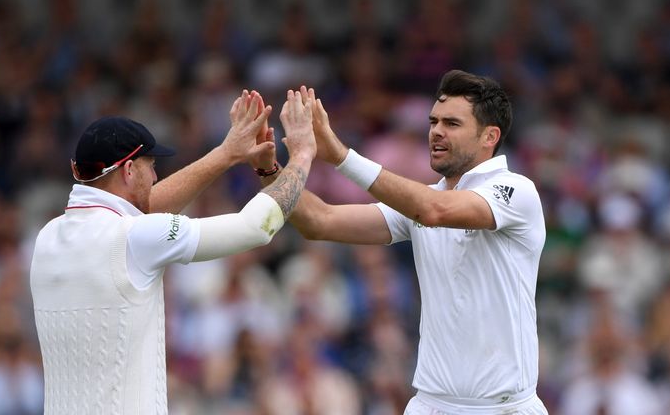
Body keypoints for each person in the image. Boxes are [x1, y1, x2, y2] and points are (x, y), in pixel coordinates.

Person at [253, 71, 548, 414]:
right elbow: (318, 221)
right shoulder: (423, 202)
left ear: (489, 137)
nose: (436, 131)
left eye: (452, 123)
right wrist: (267, 166)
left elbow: (433, 211)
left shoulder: (515, 190)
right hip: (429, 405)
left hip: (506, 409)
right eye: (433, 121)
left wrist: (340, 156)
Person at [29, 89, 316, 414]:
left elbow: (136, 212)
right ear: (128, 171)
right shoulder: (135, 236)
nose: (154, 177)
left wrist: (227, 154)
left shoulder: (46, 239)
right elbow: (255, 227)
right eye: (150, 167)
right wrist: (302, 155)